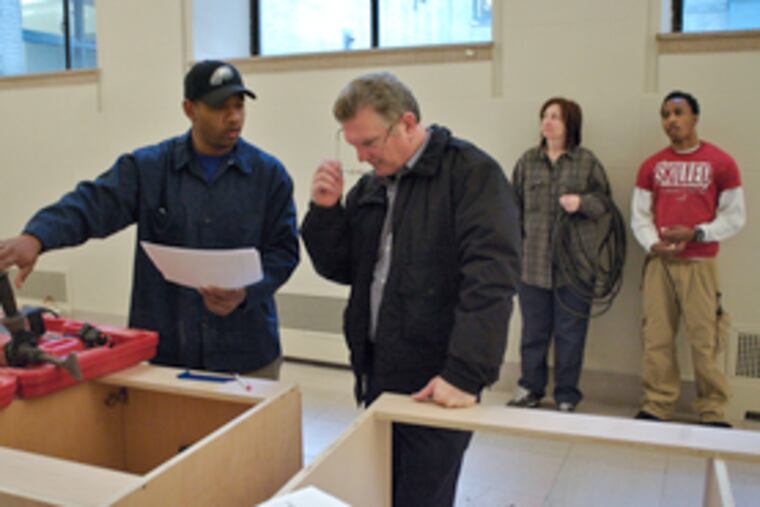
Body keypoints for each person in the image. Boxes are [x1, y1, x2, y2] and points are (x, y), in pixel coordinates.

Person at [301, 72, 521, 507]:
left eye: (370, 143)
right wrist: (324, 213)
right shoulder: (371, 187)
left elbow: (492, 280)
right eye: (354, 147)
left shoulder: (471, 175)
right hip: (378, 370)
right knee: (383, 491)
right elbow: (345, 269)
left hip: (437, 377)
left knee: (422, 496)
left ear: (406, 122)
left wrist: (464, 374)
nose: (362, 157)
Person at [0, 60, 299, 379]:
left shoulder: (269, 176)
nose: (234, 117)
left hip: (247, 352)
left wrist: (245, 294)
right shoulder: (149, 169)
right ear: (190, 109)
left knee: (252, 431)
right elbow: (93, 203)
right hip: (168, 352)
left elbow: (284, 252)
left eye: (239, 106)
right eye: (219, 107)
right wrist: (37, 236)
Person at [631, 90, 744, 427]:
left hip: (700, 264)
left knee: (704, 339)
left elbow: (734, 217)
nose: (672, 121)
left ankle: (712, 410)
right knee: (657, 338)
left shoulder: (721, 163)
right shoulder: (651, 165)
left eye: (679, 113)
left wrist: (697, 233)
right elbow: (640, 216)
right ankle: (657, 404)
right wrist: (654, 244)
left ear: (695, 117)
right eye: (665, 114)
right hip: (660, 266)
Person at [507, 98, 612, 412]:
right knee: (533, 332)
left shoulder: (587, 162)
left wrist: (581, 203)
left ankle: (566, 395)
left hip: (575, 265)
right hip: (533, 265)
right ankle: (530, 389)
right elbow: (513, 209)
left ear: (571, 125)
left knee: (571, 333)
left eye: (556, 117)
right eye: (544, 116)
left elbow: (604, 203)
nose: (548, 122)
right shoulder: (528, 162)